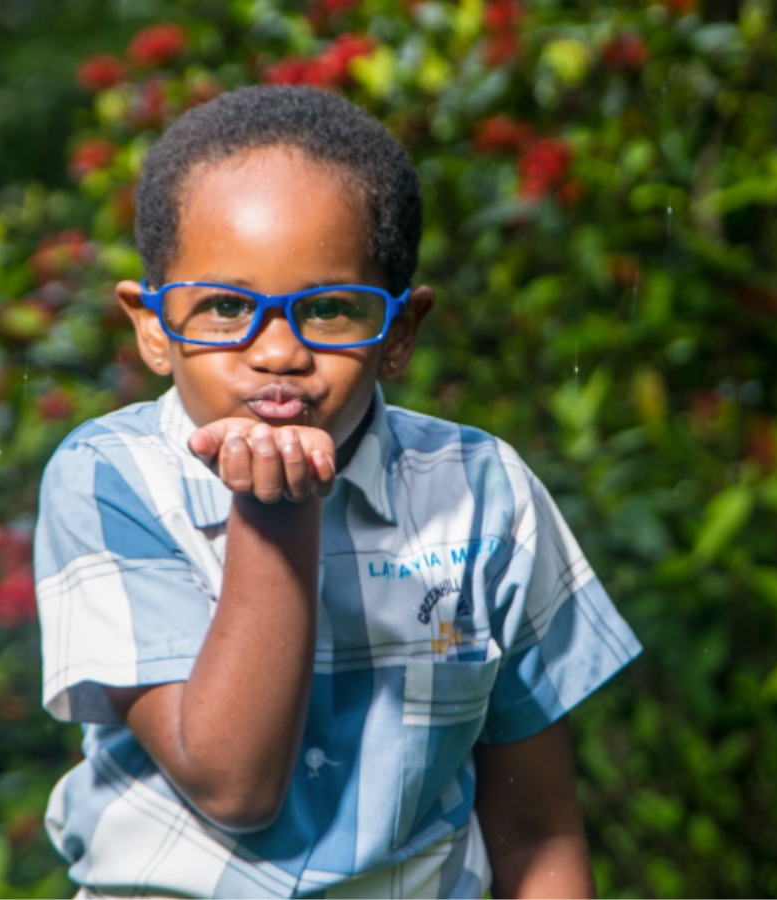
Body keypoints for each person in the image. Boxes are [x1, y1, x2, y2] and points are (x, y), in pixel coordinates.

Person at [34, 85, 642, 899]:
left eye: (327, 310)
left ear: (400, 332)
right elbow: (234, 786)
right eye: (224, 308)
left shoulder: (486, 495)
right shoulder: (109, 479)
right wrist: (275, 513)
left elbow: (536, 832)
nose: (277, 352)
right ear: (151, 325)